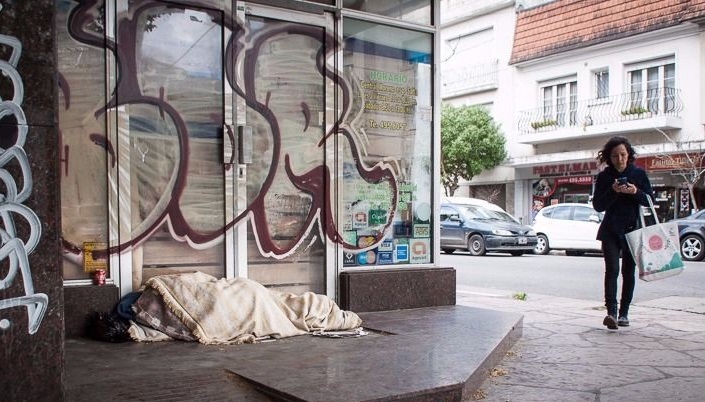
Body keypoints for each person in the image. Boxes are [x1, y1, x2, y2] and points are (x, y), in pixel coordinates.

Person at [592, 136, 653, 330]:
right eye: (615, 156)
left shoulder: (638, 174)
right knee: (612, 270)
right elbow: (598, 206)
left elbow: (650, 200)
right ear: (609, 157)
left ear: (629, 155)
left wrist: (635, 191)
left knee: (628, 272)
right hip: (610, 230)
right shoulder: (604, 177)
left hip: (632, 229)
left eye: (623, 154)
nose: (620, 159)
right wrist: (613, 191)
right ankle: (611, 313)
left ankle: (624, 313)